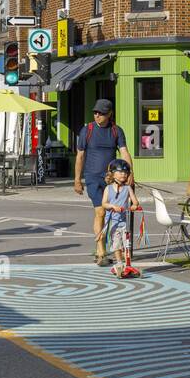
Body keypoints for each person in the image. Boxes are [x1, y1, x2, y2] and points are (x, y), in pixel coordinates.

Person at [74, 99, 133, 267]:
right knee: (100, 212)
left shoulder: (116, 131)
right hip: (92, 178)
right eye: (95, 112)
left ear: (109, 114)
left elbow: (124, 152)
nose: (97, 115)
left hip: (110, 179)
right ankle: (101, 251)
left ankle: (112, 248)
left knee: (113, 215)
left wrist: (130, 174)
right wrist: (77, 180)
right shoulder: (88, 130)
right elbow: (80, 156)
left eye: (100, 113)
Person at [102, 159, 140, 277]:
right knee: (116, 244)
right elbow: (104, 204)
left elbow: (135, 202)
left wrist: (134, 206)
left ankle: (128, 264)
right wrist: (113, 206)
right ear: (113, 173)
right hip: (112, 222)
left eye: (125, 172)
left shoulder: (128, 188)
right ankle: (119, 264)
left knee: (126, 243)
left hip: (124, 221)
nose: (123, 174)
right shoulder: (108, 189)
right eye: (120, 172)